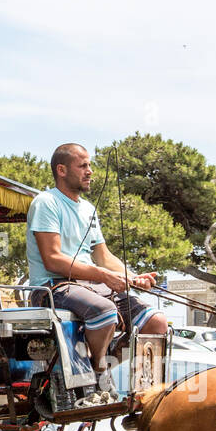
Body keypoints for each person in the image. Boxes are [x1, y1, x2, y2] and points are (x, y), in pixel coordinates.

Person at [26, 143, 167, 388]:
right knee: (104, 310)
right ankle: (99, 375)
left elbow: (103, 256)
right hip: (53, 287)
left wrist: (132, 277)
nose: (90, 171)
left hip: (89, 286)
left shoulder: (89, 209)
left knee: (156, 322)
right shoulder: (46, 202)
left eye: (89, 165)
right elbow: (53, 259)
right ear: (61, 170)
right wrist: (102, 275)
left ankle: (147, 390)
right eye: (83, 166)